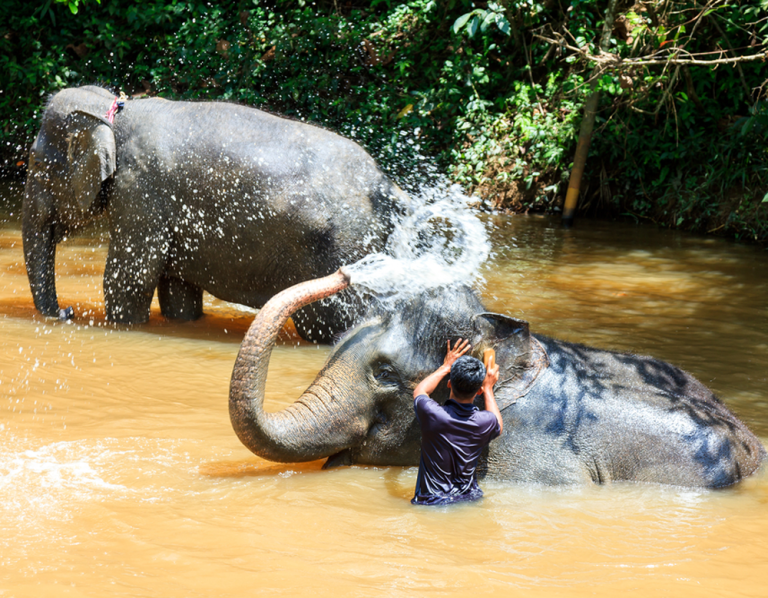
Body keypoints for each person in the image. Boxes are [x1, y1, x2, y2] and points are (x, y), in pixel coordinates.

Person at [411, 338, 503, 506]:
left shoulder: (433, 415)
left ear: (448, 384)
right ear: (479, 391)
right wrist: (489, 388)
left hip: (433, 503)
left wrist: (445, 367)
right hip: (469, 500)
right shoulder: (484, 422)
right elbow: (498, 423)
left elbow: (420, 391)